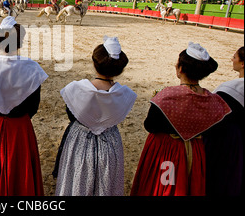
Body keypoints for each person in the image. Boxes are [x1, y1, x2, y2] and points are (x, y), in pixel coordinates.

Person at [130, 42, 231, 196]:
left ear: (181, 69)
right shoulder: (214, 101)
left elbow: (150, 125)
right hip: (196, 152)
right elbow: (218, 129)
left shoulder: (166, 96)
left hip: (165, 151)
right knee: (189, 185)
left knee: (163, 184)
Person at [0, 17, 48, 196]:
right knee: (21, 167)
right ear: (20, 41)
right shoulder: (32, 68)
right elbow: (33, 106)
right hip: (21, 126)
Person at [53, 36, 137, 196]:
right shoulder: (124, 94)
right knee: (106, 183)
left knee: (77, 180)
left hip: (80, 140)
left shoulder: (77, 89)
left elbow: (72, 115)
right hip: (110, 143)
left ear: (94, 63)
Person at [207, 46, 244, 195]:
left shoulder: (230, 88)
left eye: (234, 57)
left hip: (230, 144)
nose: (232, 60)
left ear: (242, 64)